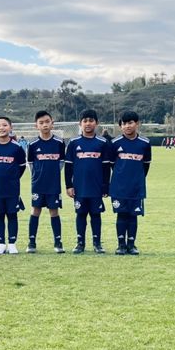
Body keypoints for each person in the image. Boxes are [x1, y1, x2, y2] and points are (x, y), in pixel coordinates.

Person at [64, 109, 111, 254]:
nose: (88, 124)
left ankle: (97, 243)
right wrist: (69, 185)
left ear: (97, 123)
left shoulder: (103, 143)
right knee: (81, 214)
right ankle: (80, 243)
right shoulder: (73, 143)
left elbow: (106, 167)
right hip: (79, 186)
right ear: (80, 124)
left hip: (96, 187)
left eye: (91, 120)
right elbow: (68, 166)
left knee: (96, 214)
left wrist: (105, 186)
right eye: (85, 121)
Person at [110, 111, 151, 255]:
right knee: (121, 214)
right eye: (124, 123)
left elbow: (146, 164)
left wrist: (137, 178)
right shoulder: (115, 143)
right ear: (120, 126)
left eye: (130, 123)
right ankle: (121, 245)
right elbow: (112, 164)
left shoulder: (145, 143)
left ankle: (131, 245)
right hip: (119, 186)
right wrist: (122, 176)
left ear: (137, 123)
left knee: (133, 215)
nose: (127, 126)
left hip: (136, 187)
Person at [0, 116, 26, 254]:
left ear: (10, 127)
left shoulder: (17, 148)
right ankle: (1, 244)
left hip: (12, 188)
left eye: (4, 125)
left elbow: (21, 167)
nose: (1, 128)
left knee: (12, 215)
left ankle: (12, 243)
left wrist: (12, 178)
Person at [26, 110, 66, 254]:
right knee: (35, 210)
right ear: (36, 125)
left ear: (52, 124)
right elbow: (30, 163)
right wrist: (37, 175)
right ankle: (31, 242)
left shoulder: (59, 143)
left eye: (47, 122)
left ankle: (58, 242)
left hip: (53, 184)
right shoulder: (33, 144)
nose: (45, 125)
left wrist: (53, 174)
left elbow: (61, 162)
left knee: (54, 211)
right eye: (41, 123)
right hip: (38, 184)